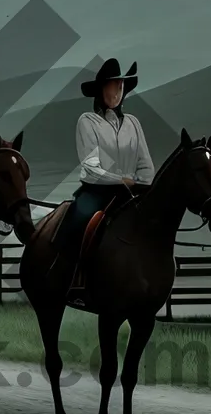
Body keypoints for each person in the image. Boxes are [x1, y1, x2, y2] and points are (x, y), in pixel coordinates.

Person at [59, 57, 155, 305]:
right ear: (101, 90)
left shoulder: (133, 123)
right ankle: (76, 281)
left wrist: (143, 184)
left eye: (120, 87)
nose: (116, 92)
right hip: (97, 191)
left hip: (133, 192)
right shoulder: (87, 121)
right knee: (79, 222)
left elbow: (146, 163)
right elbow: (91, 168)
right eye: (112, 86)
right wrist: (121, 180)